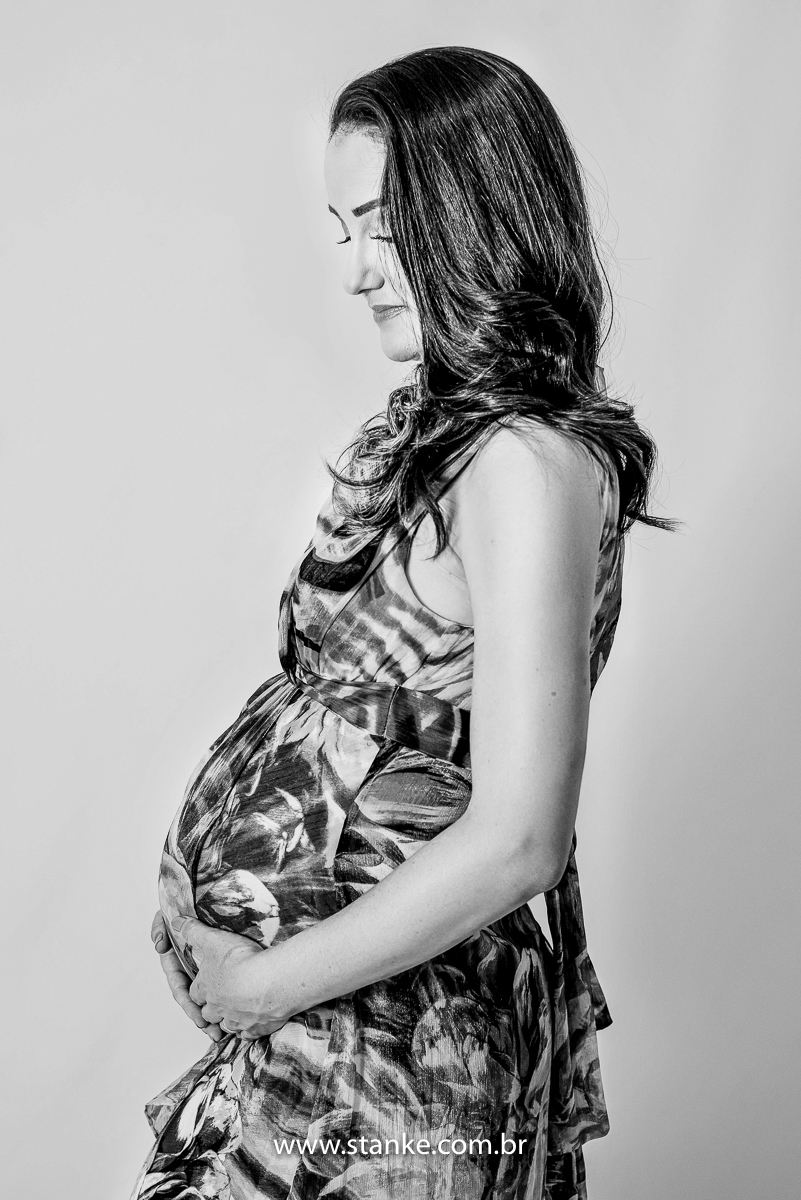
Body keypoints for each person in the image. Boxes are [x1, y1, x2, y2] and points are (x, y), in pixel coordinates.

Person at [133, 45, 669, 1200]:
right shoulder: (444, 439)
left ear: (474, 214)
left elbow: (522, 835)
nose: (358, 270)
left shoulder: (521, 465)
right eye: (342, 231)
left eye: (382, 226)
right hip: (338, 1040)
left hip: (405, 1066)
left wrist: (261, 987)